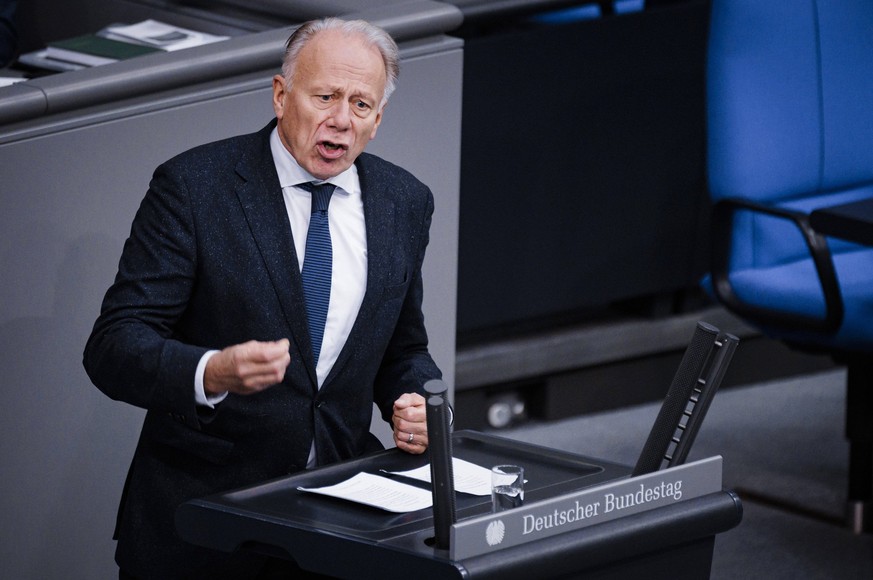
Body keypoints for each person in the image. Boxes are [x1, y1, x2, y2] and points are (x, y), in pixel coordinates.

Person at [83, 17, 443, 579]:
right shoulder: (194, 188)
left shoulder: (404, 202)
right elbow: (113, 347)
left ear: (378, 119)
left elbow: (404, 350)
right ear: (281, 95)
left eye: (362, 105)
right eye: (324, 97)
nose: (341, 122)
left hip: (340, 518)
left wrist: (417, 401)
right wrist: (210, 372)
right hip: (206, 522)